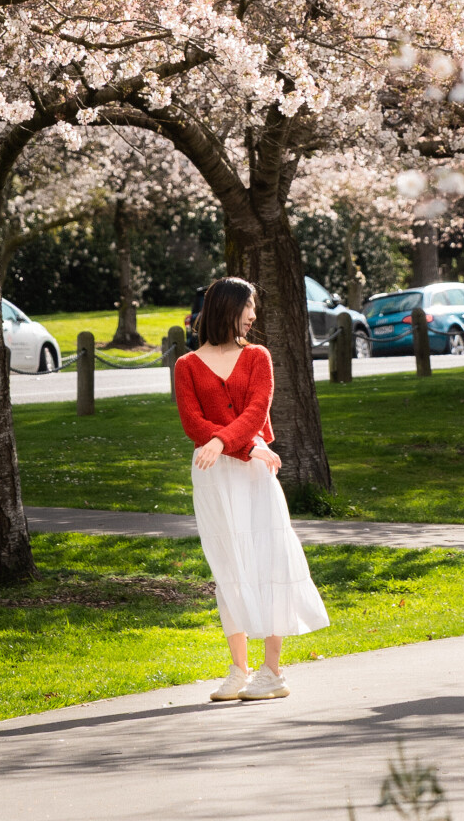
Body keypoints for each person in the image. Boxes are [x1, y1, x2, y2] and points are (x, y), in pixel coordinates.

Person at [175, 276, 329, 701]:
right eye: (249, 306)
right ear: (228, 308)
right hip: (214, 473)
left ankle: (272, 672)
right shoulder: (186, 366)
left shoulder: (258, 356)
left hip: (251, 470)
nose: (253, 315)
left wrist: (227, 444)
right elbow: (193, 424)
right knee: (229, 567)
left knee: (268, 562)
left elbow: (257, 410)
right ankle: (238, 669)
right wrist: (232, 447)